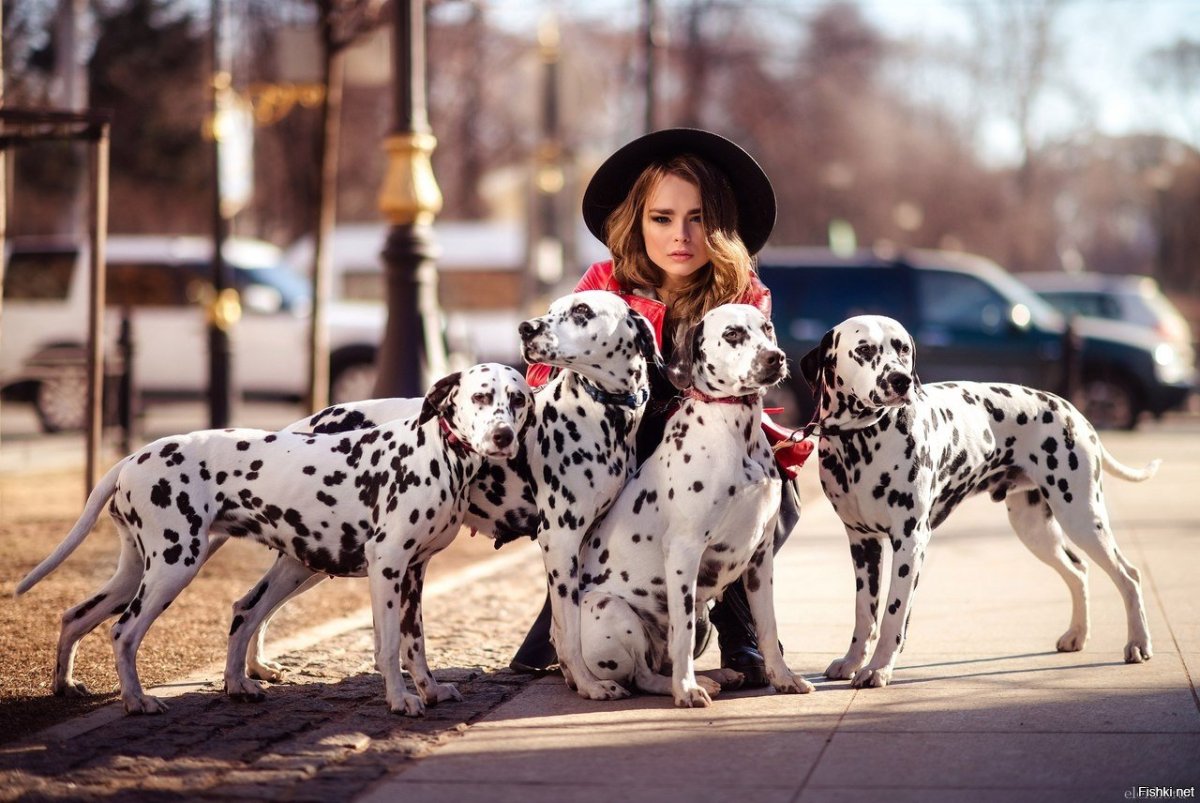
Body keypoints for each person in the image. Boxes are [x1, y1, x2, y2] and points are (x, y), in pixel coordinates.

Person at [510, 128, 812, 688]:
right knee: (614, 496)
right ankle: (569, 621)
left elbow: (748, 381)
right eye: (662, 218)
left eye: (697, 218)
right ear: (637, 221)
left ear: (719, 225)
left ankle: (735, 624)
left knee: (775, 496)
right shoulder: (604, 283)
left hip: (710, 435)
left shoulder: (740, 290)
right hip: (618, 439)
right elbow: (545, 371)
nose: (680, 235)